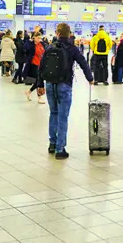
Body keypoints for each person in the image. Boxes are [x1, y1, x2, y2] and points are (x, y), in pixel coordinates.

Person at [36, 23, 94, 159]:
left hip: (50, 84)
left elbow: (41, 66)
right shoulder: (72, 48)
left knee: (53, 113)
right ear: (69, 34)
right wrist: (90, 78)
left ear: (57, 33)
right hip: (64, 85)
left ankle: (52, 143)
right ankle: (60, 149)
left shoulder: (50, 47)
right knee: (63, 116)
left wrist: (40, 84)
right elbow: (83, 63)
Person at [23, 32, 47, 104]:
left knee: (39, 80)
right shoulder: (30, 43)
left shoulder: (42, 44)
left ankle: (29, 92)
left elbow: (44, 52)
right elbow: (26, 50)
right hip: (34, 64)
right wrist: (32, 43)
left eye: (40, 38)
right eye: (38, 38)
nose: (39, 39)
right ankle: (39, 97)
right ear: (34, 37)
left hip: (41, 64)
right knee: (39, 80)